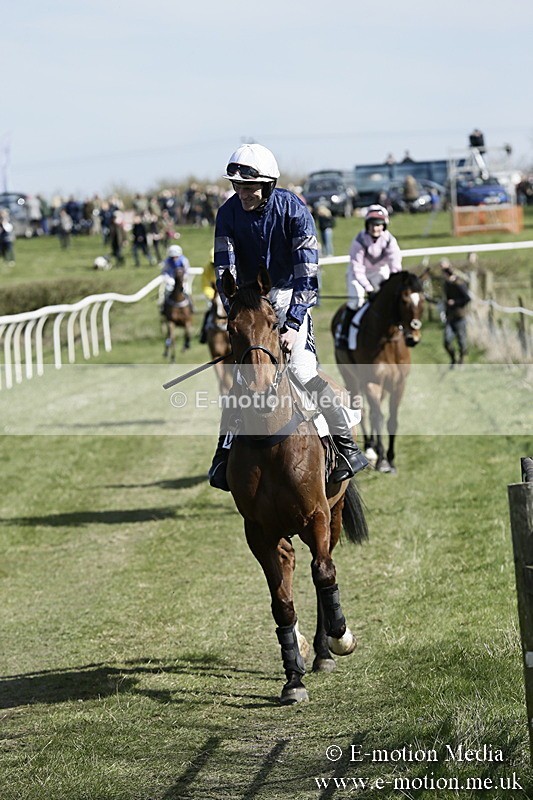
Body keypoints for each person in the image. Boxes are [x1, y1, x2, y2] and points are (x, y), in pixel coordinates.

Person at [208, 143, 368, 491]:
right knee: (242, 380)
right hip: (250, 301)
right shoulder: (227, 214)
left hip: (287, 293)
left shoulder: (294, 209)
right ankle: (223, 456)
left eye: (249, 186)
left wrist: (293, 324)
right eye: (237, 186)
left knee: (300, 370)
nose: (242, 192)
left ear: (267, 184)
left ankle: (345, 447)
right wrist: (236, 308)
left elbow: (307, 274)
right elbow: (224, 268)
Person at [336, 205, 402, 348]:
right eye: (372, 224)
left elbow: (395, 266)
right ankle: (343, 334)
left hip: (378, 271)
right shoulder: (359, 241)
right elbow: (358, 268)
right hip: (357, 273)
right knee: (357, 301)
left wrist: (394, 284)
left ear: (384, 226)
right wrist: (369, 289)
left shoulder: (390, 241)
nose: (375, 228)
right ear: (367, 225)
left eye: (378, 225)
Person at [439, 259, 471, 367]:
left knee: (462, 342)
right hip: (450, 317)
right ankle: (453, 359)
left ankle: (461, 361)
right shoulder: (446, 284)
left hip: (460, 316)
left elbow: (467, 298)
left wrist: (455, 302)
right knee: (447, 341)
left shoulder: (459, 283)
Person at [159, 244, 192, 309]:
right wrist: (168, 279)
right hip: (171, 279)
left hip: (182, 280)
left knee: (187, 291)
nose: (174, 258)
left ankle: (191, 306)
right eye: (173, 256)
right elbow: (164, 272)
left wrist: (183, 279)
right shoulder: (167, 261)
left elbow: (187, 271)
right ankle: (164, 307)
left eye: (176, 256)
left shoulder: (184, 260)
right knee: (167, 291)